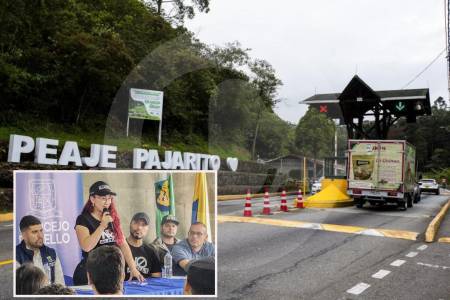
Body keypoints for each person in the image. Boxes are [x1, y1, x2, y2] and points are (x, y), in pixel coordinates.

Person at [73, 181, 144, 285]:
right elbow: (86, 246)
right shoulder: (83, 219)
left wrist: (133, 268)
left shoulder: (112, 217)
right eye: (103, 198)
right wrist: (102, 226)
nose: (107, 202)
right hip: (91, 273)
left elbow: (123, 244)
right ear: (92, 199)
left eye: (109, 198)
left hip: (110, 272)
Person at [16, 215, 65, 285]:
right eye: (35, 232)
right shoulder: (17, 256)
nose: (40, 236)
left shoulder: (51, 253)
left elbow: (60, 284)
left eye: (41, 231)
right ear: (24, 235)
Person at [125, 212, 161, 279]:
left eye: (143, 225)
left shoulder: (151, 251)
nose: (139, 227)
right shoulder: (120, 247)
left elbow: (157, 279)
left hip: (145, 289)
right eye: (136, 223)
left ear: (148, 229)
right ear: (130, 224)